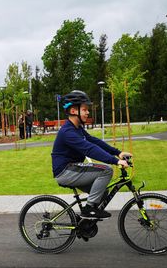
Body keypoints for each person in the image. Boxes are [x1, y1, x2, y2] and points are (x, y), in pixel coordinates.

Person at [51, 90, 131, 219]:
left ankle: (84, 223)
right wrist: (115, 161)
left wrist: (118, 153)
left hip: (72, 168)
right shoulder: (68, 132)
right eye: (84, 109)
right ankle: (89, 210)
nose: (88, 112)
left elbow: (94, 141)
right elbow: (89, 149)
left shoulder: (77, 128)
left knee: (103, 191)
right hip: (66, 171)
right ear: (73, 111)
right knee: (106, 171)